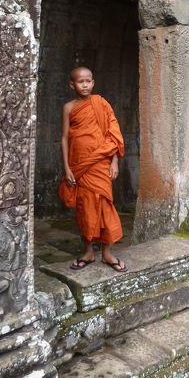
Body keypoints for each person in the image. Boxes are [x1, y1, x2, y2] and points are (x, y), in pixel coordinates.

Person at [59, 66, 127, 272]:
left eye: (88, 81)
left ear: (93, 82)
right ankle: (88, 252)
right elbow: (64, 139)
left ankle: (107, 253)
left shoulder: (101, 103)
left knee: (105, 205)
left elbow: (112, 134)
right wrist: (67, 168)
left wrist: (114, 162)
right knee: (84, 208)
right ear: (72, 84)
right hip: (79, 165)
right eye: (81, 81)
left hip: (100, 165)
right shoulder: (69, 108)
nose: (85, 84)